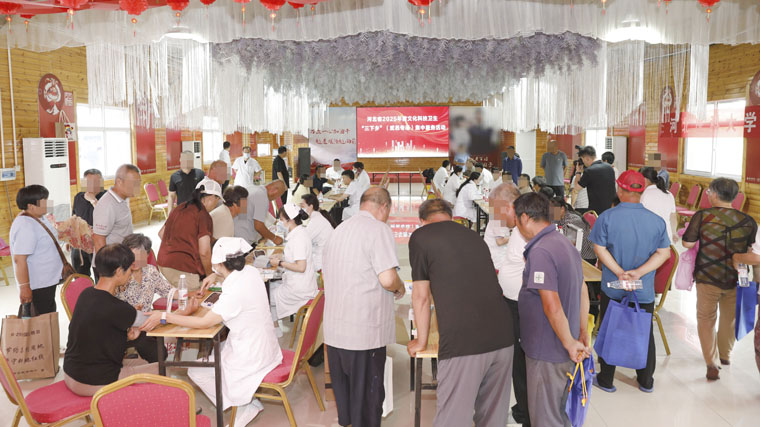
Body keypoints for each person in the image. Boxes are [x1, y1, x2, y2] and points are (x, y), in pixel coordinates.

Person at [142, 237, 282, 426]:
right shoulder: (250, 272)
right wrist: (215, 276)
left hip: (250, 355)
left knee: (197, 372)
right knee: (211, 359)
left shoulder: (234, 291)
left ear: (218, 263)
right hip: (264, 345)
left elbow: (204, 323)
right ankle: (245, 402)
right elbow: (233, 273)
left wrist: (165, 316)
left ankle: (243, 405)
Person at [408, 199, 514, 427]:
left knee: (453, 419)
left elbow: (421, 296)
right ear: (450, 215)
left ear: (422, 221)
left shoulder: (421, 237)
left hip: (463, 343)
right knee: (493, 419)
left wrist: (421, 340)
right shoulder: (474, 236)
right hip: (504, 337)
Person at [322, 188, 405, 427]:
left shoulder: (338, 230)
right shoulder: (378, 229)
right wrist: (399, 287)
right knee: (368, 402)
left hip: (335, 332)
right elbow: (388, 279)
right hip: (363, 333)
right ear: (385, 207)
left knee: (347, 401)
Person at [589, 170, 670, 393]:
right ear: (642, 192)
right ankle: (646, 381)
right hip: (642, 289)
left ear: (620, 190)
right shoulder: (656, 221)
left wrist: (619, 272)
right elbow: (664, 254)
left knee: (610, 328)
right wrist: (638, 273)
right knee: (645, 332)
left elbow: (599, 248)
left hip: (614, 287)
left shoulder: (607, 217)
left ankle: (606, 379)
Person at [514, 193, 590, 426]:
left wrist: (570, 343)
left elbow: (551, 304)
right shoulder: (563, 242)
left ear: (524, 218)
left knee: (545, 417)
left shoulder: (541, 251)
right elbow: (583, 289)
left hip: (547, 349)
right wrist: (581, 333)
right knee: (558, 413)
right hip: (563, 344)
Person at [682, 178, 757, 380]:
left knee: (706, 319)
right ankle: (725, 355)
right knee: (729, 319)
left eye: (708, 192)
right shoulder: (748, 221)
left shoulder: (702, 216)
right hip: (736, 277)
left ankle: (711, 362)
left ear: (715, 194)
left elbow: (688, 243)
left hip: (707, 276)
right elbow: (752, 251)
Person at [63, 244, 159, 396]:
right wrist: (177, 314)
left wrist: (125, 336)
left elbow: (97, 332)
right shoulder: (117, 307)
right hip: (91, 381)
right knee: (164, 368)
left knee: (142, 363)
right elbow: (150, 321)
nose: (131, 274)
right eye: (129, 270)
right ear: (119, 271)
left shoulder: (86, 294)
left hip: (71, 372)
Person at [488, 182, 531, 425]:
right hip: (514, 302)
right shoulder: (517, 229)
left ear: (507, 206)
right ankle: (523, 406)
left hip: (521, 306)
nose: (495, 215)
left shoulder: (526, 229)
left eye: (496, 209)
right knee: (517, 361)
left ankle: (526, 411)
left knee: (521, 362)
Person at [157, 179, 222, 290]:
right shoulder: (203, 215)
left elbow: (161, 233)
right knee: (196, 297)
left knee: (180, 294)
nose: (216, 204)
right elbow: (204, 252)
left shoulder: (180, 207)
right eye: (218, 199)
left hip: (163, 264)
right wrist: (210, 275)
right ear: (211, 197)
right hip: (183, 268)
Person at [115, 233, 170, 363]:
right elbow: (108, 305)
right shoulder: (118, 274)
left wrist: (190, 294)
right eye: (131, 256)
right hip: (123, 328)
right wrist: (129, 311)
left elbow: (168, 291)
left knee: (161, 353)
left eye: (139, 256)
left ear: (147, 255)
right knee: (157, 354)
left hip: (145, 323)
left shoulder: (150, 271)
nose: (134, 261)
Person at [10, 185, 63, 314]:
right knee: (40, 319)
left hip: (47, 282)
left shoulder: (39, 217)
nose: (48, 204)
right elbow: (19, 259)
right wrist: (24, 287)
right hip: (38, 285)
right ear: (31, 206)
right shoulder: (25, 225)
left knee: (48, 314)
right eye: (44, 201)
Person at [268, 203, 319, 335]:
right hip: (301, 283)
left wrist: (280, 262)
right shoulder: (300, 232)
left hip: (299, 289)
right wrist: (282, 257)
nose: (279, 222)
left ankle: (275, 330)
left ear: (289, 220)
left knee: (266, 296)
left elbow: (301, 267)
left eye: (281, 219)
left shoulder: (298, 238)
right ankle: (275, 329)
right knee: (271, 288)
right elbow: (296, 257)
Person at [93, 164, 141, 259]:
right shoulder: (107, 204)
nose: (137, 187)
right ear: (119, 181)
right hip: (110, 263)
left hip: (122, 259)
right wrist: (107, 266)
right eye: (134, 183)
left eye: (138, 183)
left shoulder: (124, 198)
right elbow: (98, 240)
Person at [71, 169, 106, 277]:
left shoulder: (108, 197)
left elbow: (106, 218)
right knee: (80, 276)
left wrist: (93, 201)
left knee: (100, 276)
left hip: (98, 244)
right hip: (80, 244)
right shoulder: (78, 197)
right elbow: (74, 218)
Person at [234, 181, 287, 246]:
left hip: (237, 233)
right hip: (244, 240)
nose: (274, 199)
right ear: (275, 191)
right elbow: (258, 226)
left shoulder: (252, 188)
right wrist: (275, 238)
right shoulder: (263, 196)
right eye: (277, 196)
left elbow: (243, 215)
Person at [549, 197, 595, 263]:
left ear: (562, 209)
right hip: (573, 253)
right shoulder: (560, 216)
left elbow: (563, 240)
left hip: (586, 257)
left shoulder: (572, 220)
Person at [639, 166, 677, 243]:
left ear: (645, 180)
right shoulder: (669, 194)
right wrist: (674, 233)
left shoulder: (644, 195)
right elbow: (673, 217)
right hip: (667, 237)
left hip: (650, 238)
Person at [575, 146, 616, 214]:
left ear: (587, 158)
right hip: (611, 208)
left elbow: (577, 188)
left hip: (596, 211)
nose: (583, 162)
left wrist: (578, 172)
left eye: (582, 159)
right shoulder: (609, 167)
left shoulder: (589, 171)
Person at [300, 193, 335, 272]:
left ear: (311, 206)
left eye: (303, 206)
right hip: (323, 254)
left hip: (322, 260)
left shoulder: (316, 221)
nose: (301, 209)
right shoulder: (317, 217)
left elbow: (303, 240)